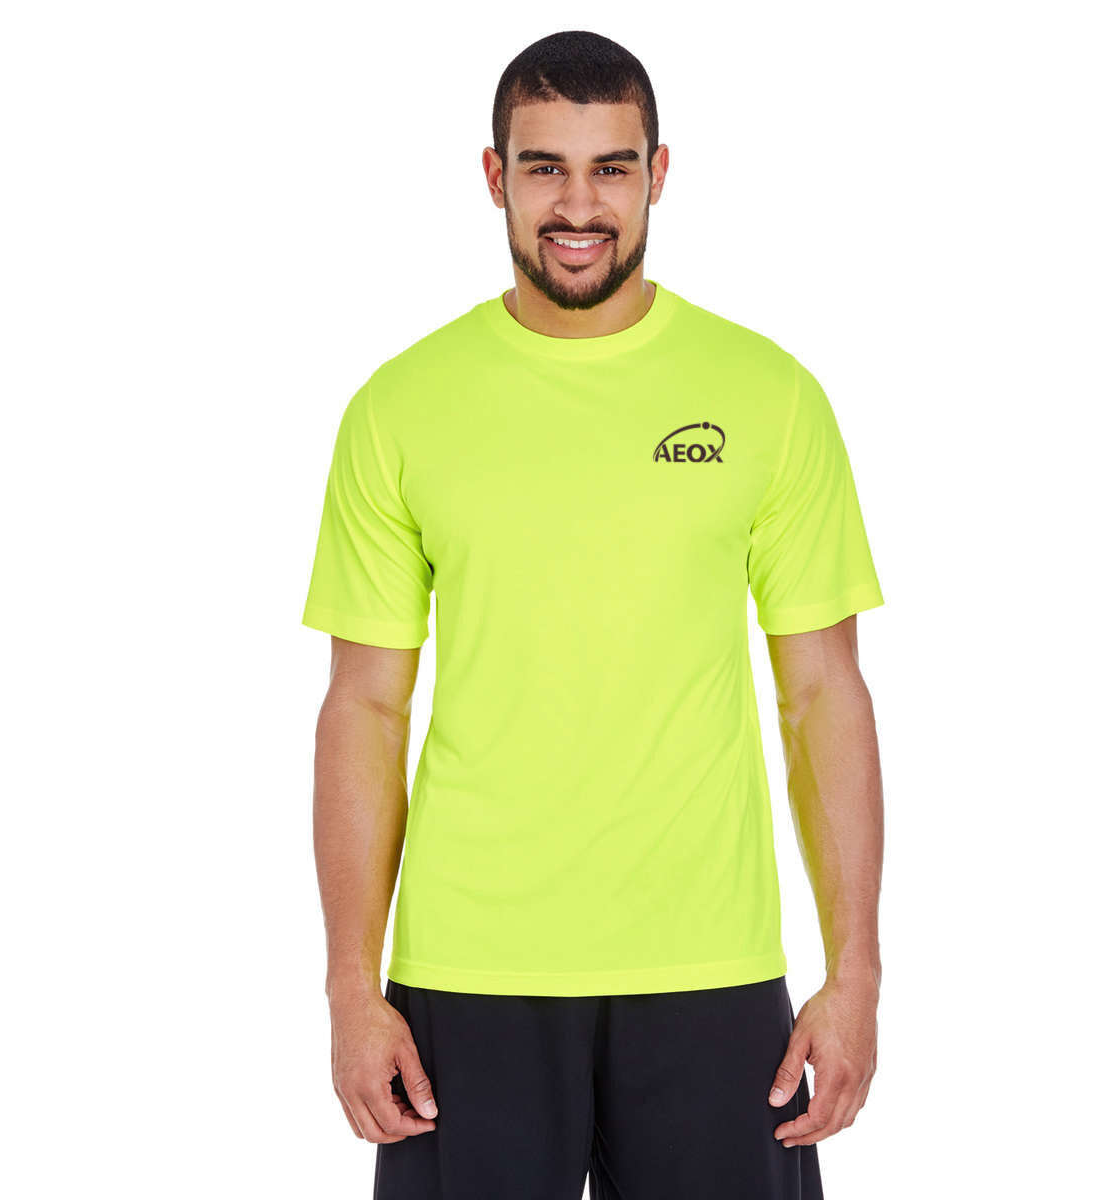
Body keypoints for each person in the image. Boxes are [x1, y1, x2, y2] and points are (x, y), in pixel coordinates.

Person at [304, 29, 885, 1200]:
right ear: (495, 177)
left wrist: (856, 970)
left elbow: (823, 692)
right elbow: (365, 707)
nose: (578, 206)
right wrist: (352, 988)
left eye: (611, 167)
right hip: (469, 973)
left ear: (658, 173)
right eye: (545, 168)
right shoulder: (399, 409)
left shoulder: (768, 397)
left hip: (711, 968)